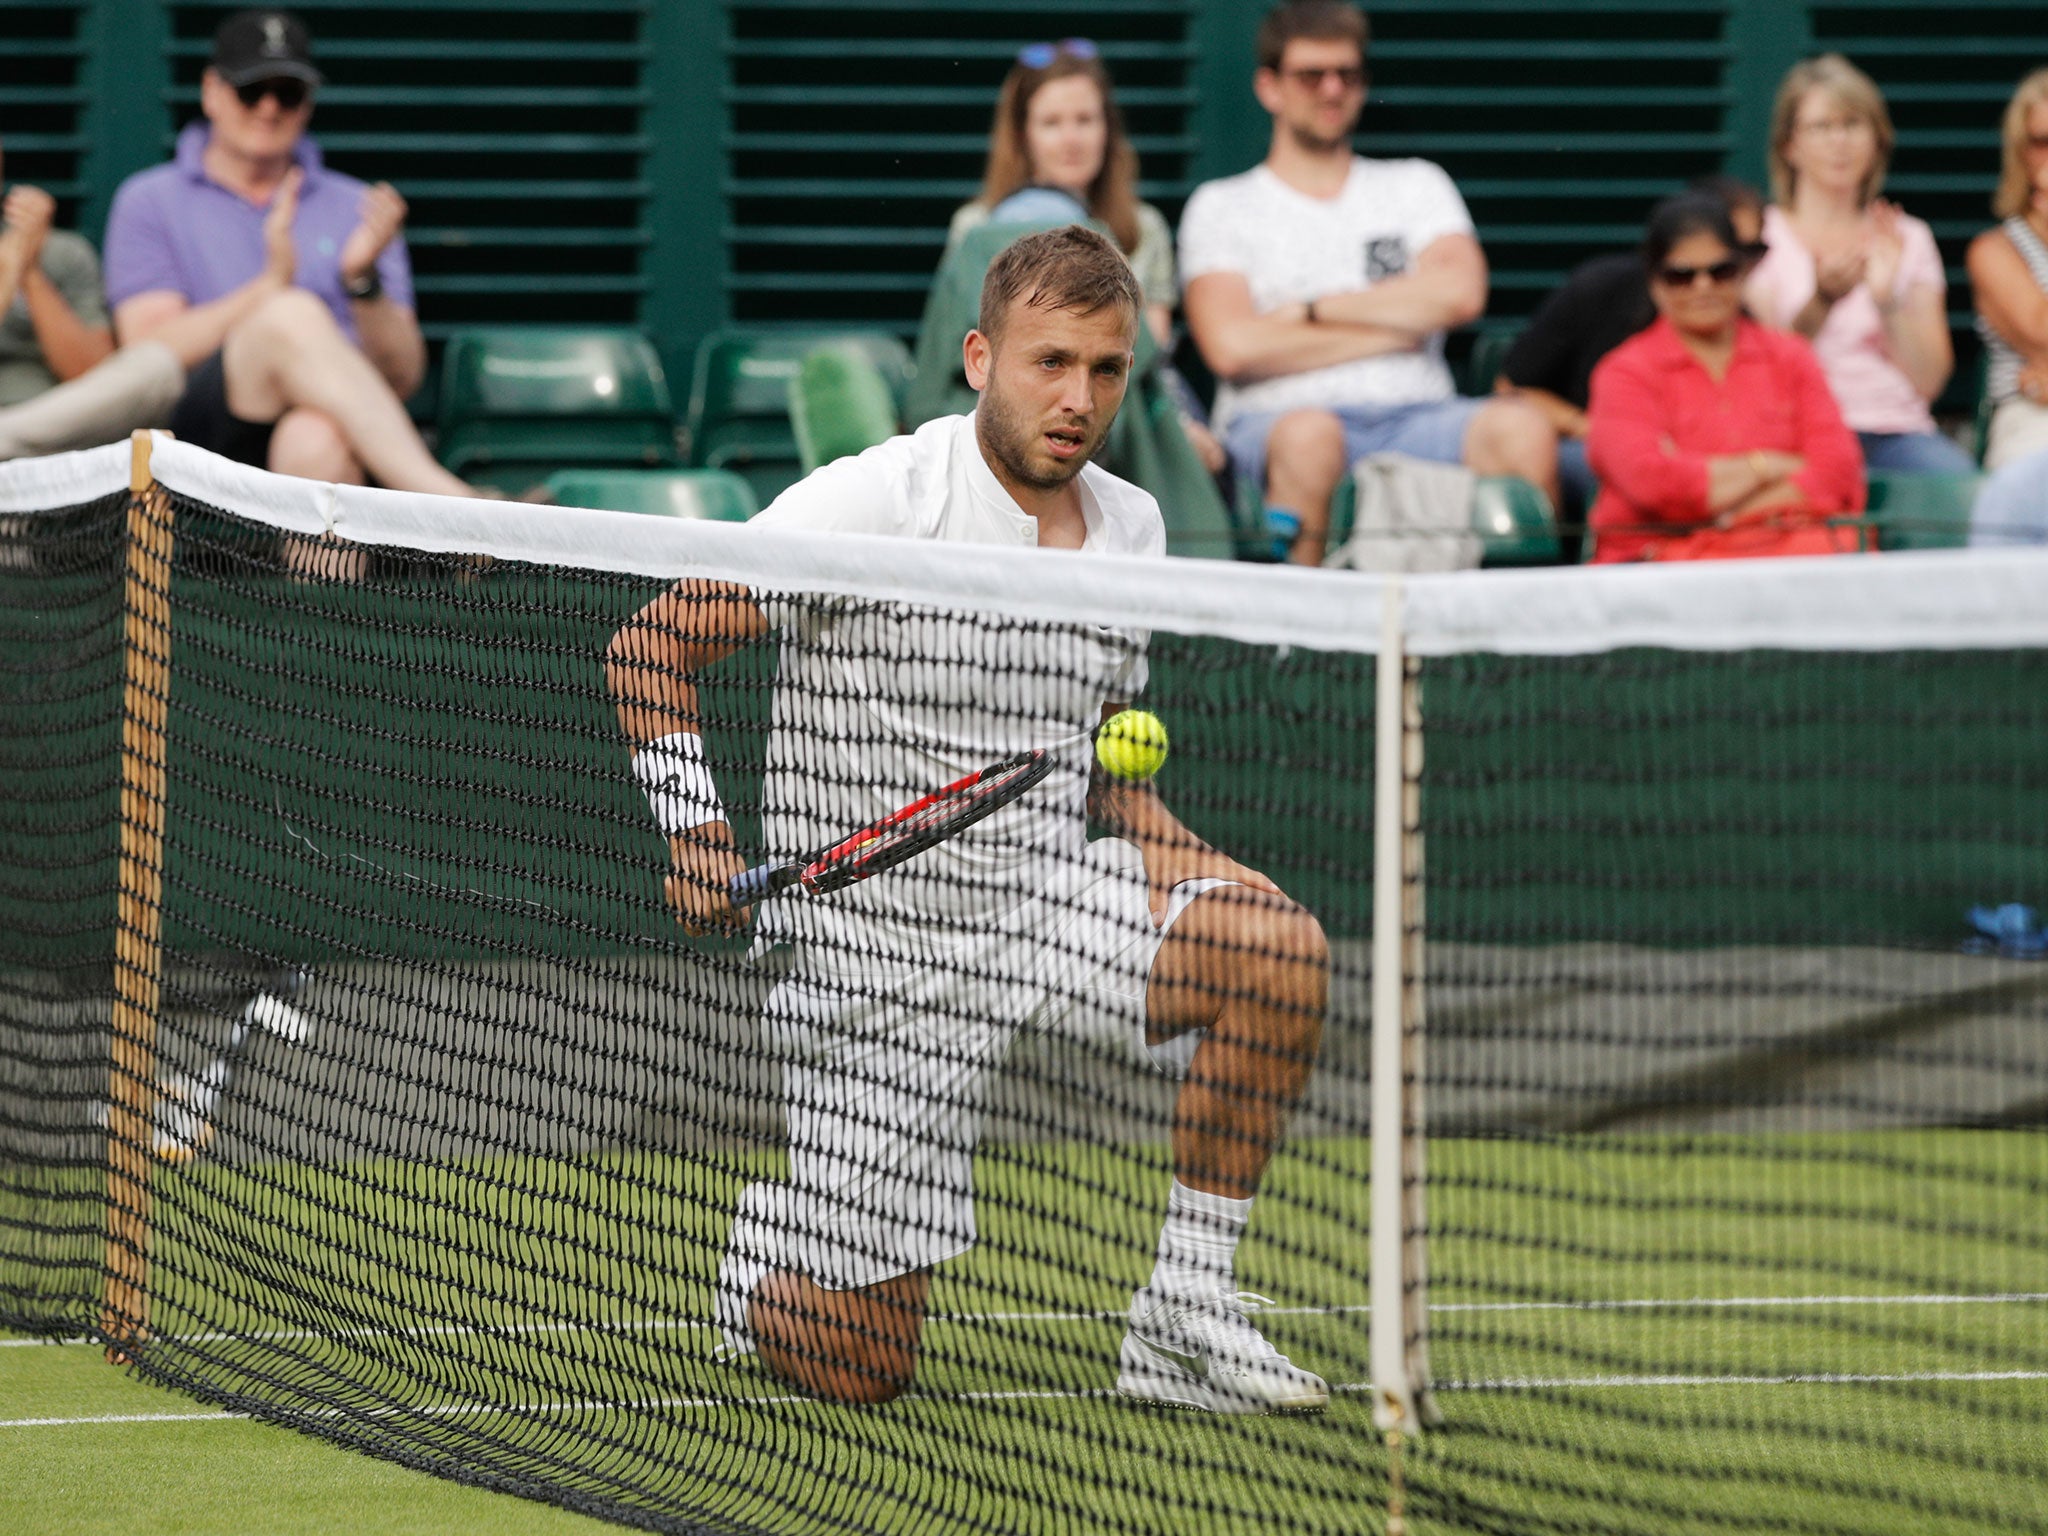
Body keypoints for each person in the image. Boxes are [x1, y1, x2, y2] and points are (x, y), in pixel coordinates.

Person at [606, 226, 1331, 1415]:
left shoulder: (1133, 530)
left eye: (1105, 371)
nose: (1077, 399)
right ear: (979, 357)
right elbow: (652, 645)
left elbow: (1102, 762)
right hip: (867, 953)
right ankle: (771, 1253)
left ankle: (1179, 1314)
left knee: (1279, 952)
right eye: (1050, 363)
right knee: (860, 1371)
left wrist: (1181, 857)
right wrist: (695, 837)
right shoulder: (876, 501)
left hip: (1045, 905)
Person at [1177, 0, 1556, 566]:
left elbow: (1460, 294)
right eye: (1311, 76)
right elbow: (1233, 347)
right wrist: (1394, 324)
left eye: (1347, 75)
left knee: (1523, 430)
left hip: (1420, 415)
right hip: (1280, 422)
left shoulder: (1416, 185)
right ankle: (1301, 648)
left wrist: (1307, 311)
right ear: (1269, 87)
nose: (1332, 90)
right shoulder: (1223, 206)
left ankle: (1524, 646)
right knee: (1312, 437)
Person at [101, 10, 477, 524]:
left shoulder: (357, 206)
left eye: (289, 93)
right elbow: (152, 352)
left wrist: (360, 280)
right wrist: (268, 289)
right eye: (252, 91)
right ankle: (454, 509)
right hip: (194, 449)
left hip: (321, 440)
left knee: (316, 436)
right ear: (211, 91)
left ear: (309, 104)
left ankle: (318, 599)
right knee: (289, 311)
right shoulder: (149, 199)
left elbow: (401, 376)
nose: (270, 109)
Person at [948, 38, 1226, 475]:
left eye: (1085, 120)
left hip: (1122, 405)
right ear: (1024, 134)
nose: (1071, 139)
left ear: (1108, 129)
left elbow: (1147, 350)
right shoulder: (978, 227)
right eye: (1053, 123)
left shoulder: (1141, 225)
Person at [1587, 193, 1866, 563]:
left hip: (1785, 550)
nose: (1704, 287)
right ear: (1656, 284)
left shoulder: (1790, 355)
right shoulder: (1624, 371)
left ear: (1743, 272)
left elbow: (1837, 470)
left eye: (1720, 271)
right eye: (1681, 276)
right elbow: (1654, 484)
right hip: (1663, 563)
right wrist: (1769, 465)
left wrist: (1729, 518)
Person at [1496, 176, 1767, 543]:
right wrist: (1589, 426)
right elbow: (1512, 386)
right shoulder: (1603, 291)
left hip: (1705, 475)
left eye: (1729, 264)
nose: (1705, 284)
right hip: (1602, 453)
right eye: (1682, 274)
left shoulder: (1756, 332)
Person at [1742, 55, 1970, 477]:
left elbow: (1929, 382)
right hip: (1794, 435)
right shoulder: (1762, 237)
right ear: (1789, 145)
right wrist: (1822, 301)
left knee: (1961, 492)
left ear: (1877, 139)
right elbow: (1761, 371)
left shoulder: (1910, 237)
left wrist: (1888, 303)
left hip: (1895, 432)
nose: (1839, 141)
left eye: (1852, 124)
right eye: (1822, 127)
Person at [1967, 67, 2048, 472]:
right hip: (2030, 422)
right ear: (2020, 150)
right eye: (2042, 141)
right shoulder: (1994, 249)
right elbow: (2040, 329)